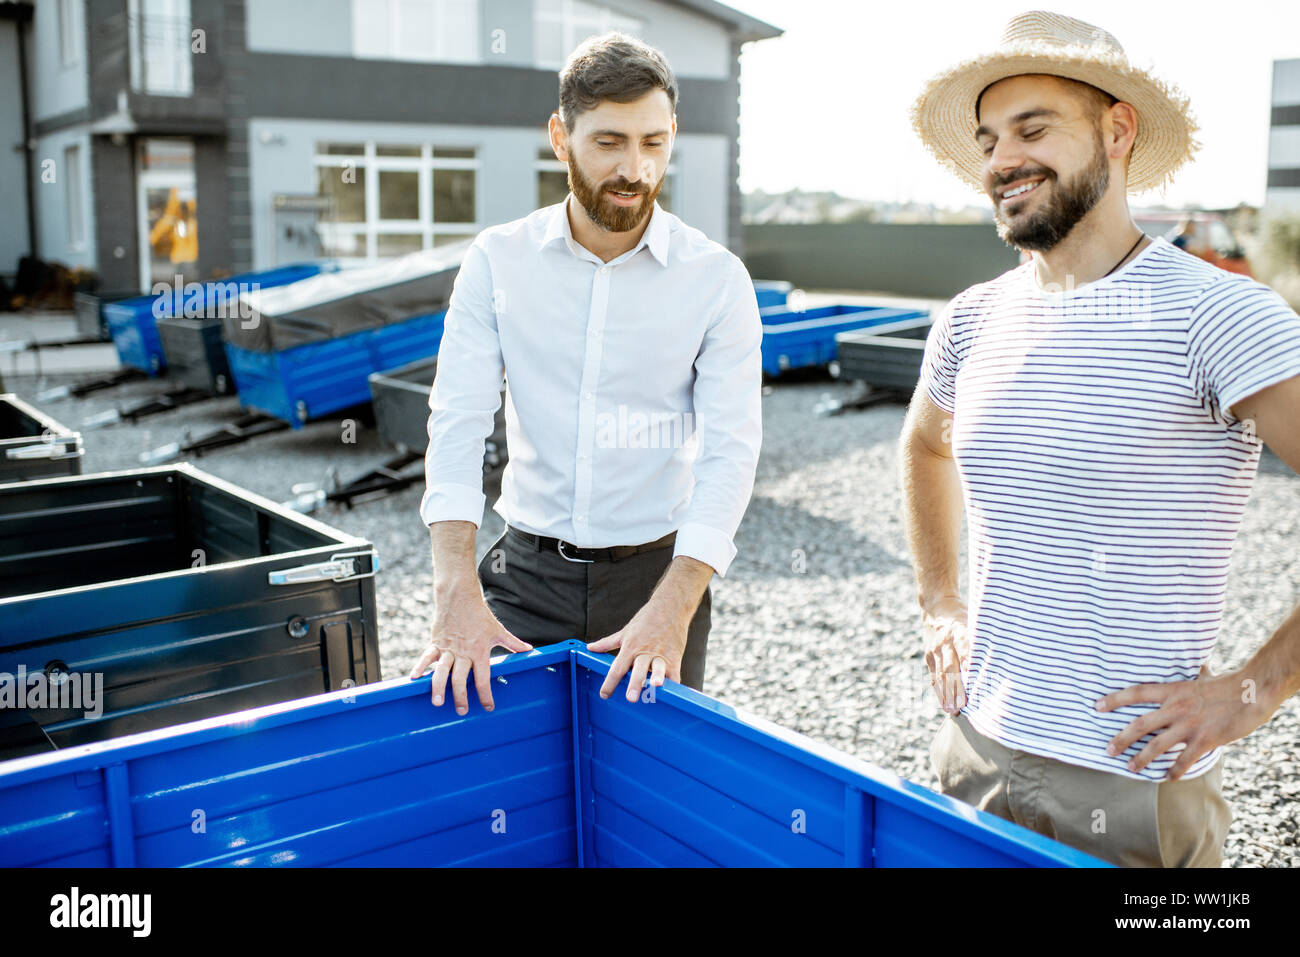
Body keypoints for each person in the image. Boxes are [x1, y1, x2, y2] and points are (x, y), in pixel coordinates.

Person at [902, 10, 1300, 867]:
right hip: (976, 746)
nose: (1002, 159)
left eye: (1033, 128)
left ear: (1118, 129)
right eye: (988, 138)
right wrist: (941, 604)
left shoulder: (1220, 314)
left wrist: (1253, 689)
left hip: (1134, 783)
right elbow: (924, 448)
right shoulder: (970, 320)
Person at [410, 33, 763, 714]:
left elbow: (730, 452)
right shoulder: (498, 261)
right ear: (559, 136)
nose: (635, 168)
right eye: (609, 142)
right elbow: (456, 419)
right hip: (522, 576)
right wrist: (454, 588)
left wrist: (678, 603)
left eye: (653, 142)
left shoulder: (716, 280)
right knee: (492, 774)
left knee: (647, 791)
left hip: (657, 579)